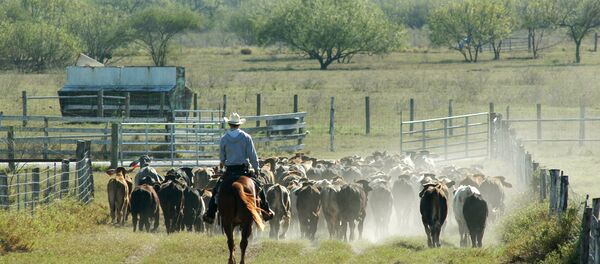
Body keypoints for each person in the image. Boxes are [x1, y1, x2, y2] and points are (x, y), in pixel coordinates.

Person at [202, 112, 274, 224]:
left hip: (230, 171)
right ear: (239, 124)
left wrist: (222, 167)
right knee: (259, 187)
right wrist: (256, 169)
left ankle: (211, 214)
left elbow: (222, 158)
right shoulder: (246, 137)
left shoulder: (224, 139)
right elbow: (252, 156)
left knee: (216, 190)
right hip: (243, 170)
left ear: (229, 124)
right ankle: (265, 210)